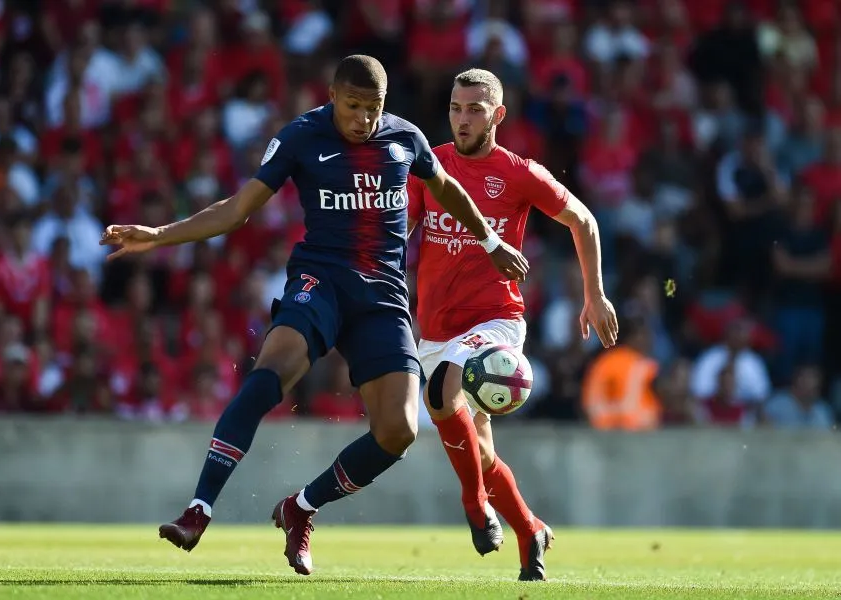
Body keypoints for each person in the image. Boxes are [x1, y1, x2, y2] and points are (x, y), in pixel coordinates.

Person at [99, 56, 528, 575]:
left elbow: (447, 190)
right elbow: (238, 209)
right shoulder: (302, 135)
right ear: (332, 96)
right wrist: (159, 235)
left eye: (374, 108)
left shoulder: (404, 139)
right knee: (268, 377)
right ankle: (199, 509)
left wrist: (489, 239)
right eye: (353, 106)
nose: (364, 119)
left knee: (398, 431)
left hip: (382, 298)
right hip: (319, 283)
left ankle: (300, 508)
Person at [406, 69, 618, 581]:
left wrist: (594, 294)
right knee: (478, 451)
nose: (462, 119)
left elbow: (582, 220)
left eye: (474, 109)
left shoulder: (518, 172)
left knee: (442, 389)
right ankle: (530, 531)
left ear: (497, 115)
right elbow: (401, 231)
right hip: (435, 326)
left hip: (497, 320)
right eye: (456, 108)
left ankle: (475, 508)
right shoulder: (430, 167)